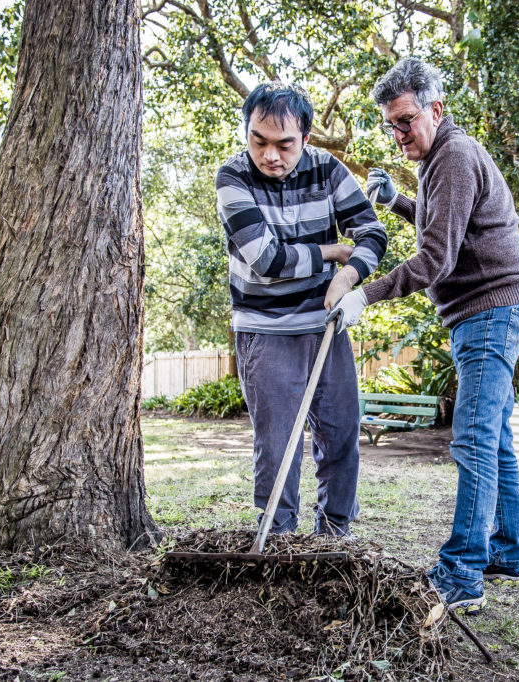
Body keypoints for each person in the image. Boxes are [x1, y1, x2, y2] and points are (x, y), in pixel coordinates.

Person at [328, 57, 519, 613]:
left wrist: (363, 295)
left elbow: (437, 257)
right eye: (389, 125)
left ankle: (462, 573)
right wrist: (395, 200)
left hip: (491, 309)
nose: (398, 135)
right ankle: (509, 550)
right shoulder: (442, 159)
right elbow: (445, 219)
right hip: (492, 309)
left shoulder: (455, 155)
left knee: (471, 437)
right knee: (493, 438)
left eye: (405, 121)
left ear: (436, 110)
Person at [216, 82, 387, 536]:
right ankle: (277, 536)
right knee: (278, 445)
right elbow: (266, 260)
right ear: (247, 132)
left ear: (306, 138)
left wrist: (349, 280)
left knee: (340, 433)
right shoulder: (232, 178)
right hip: (265, 329)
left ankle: (334, 533)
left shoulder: (328, 170)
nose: (270, 155)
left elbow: (372, 235)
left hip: (325, 327)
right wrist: (332, 253)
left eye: (284, 144)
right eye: (259, 141)